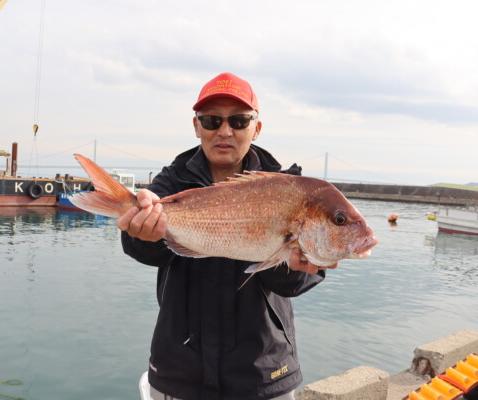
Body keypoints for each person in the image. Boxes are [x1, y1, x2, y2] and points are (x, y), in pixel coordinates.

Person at [118, 72, 331, 400]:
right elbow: (145, 252)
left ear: (256, 127)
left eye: (239, 120)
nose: (225, 131)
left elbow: (292, 285)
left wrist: (297, 263)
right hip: (179, 371)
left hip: (262, 372)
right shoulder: (171, 183)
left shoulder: (288, 187)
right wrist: (140, 231)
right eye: (212, 120)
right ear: (196, 126)